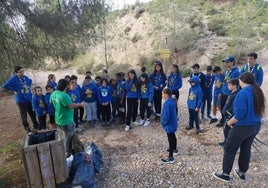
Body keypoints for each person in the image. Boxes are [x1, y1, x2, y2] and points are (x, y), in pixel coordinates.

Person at [213, 72, 265, 182]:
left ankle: (225, 174)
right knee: (246, 148)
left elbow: (240, 114)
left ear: (242, 81)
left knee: (229, 148)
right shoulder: (257, 91)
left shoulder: (242, 93)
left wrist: (229, 123)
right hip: (255, 126)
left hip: (243, 126)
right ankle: (242, 172)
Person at [50, 79, 85, 158]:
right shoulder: (64, 95)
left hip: (58, 119)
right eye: (68, 84)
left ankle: (63, 150)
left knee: (62, 136)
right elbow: (71, 106)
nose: (69, 86)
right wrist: (80, 105)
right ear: (66, 86)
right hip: (66, 121)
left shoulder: (54, 93)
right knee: (68, 138)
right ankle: (68, 154)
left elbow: (51, 102)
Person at [2, 66, 39, 133]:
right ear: (16, 73)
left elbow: (30, 81)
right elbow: (5, 85)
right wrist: (14, 89)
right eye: (20, 72)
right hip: (21, 99)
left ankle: (36, 125)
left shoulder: (25, 77)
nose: (22, 73)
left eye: (22, 71)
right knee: (23, 114)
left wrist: (28, 88)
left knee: (32, 112)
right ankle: (27, 128)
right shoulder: (13, 79)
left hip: (29, 98)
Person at [216, 55, 240, 127]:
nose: (226, 63)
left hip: (230, 94)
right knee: (222, 107)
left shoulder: (236, 72)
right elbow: (224, 82)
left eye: (227, 62)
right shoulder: (227, 71)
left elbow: (236, 84)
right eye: (225, 62)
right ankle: (223, 120)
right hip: (224, 92)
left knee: (228, 109)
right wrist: (220, 92)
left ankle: (227, 121)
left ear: (232, 62)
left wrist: (232, 94)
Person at [218, 79, 239, 147]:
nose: (228, 86)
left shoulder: (236, 95)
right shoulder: (231, 93)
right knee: (225, 129)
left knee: (228, 129)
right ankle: (225, 141)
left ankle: (228, 143)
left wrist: (227, 112)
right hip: (225, 113)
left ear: (235, 86)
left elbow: (233, 106)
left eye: (229, 85)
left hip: (229, 115)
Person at [161, 88, 178, 163]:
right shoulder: (171, 101)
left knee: (170, 140)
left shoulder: (167, 103)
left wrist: (163, 123)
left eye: (162, 94)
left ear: (166, 94)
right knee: (173, 136)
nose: (162, 95)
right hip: (173, 123)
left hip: (169, 124)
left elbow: (166, 116)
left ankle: (170, 157)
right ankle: (174, 149)